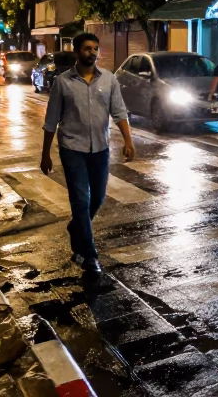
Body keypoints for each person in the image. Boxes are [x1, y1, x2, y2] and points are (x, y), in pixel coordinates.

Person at [41, 33, 135, 275]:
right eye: (86, 48)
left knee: (98, 200)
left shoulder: (109, 80)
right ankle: (90, 256)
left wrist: (128, 140)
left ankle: (76, 227)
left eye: (95, 48)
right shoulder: (63, 82)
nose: (92, 52)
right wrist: (45, 154)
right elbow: (51, 121)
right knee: (80, 201)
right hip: (72, 148)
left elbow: (119, 112)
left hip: (100, 149)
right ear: (76, 52)